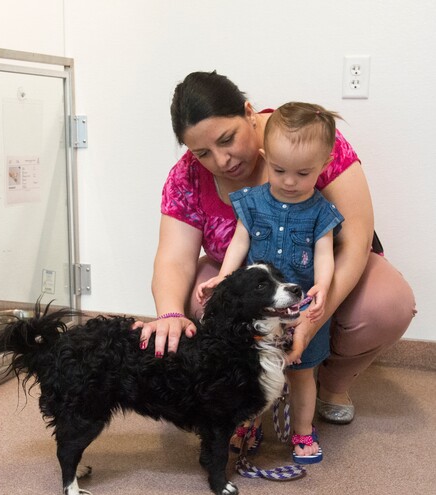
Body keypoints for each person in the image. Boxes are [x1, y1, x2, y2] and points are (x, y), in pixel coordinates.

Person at [136, 71, 416, 429]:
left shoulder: (305, 138)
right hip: (252, 280)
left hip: (318, 269)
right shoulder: (186, 177)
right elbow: (174, 258)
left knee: (388, 305)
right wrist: (170, 315)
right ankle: (249, 382)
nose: (222, 161)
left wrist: (310, 322)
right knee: (202, 300)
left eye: (228, 139)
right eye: (203, 152)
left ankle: (332, 384)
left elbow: (356, 240)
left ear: (249, 113)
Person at [195, 102, 345, 463]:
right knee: (250, 368)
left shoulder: (322, 211)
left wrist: (323, 285)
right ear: (266, 158)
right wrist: (225, 277)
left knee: (301, 373)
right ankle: (249, 423)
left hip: (299, 308)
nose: (290, 182)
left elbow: (325, 253)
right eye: (279, 170)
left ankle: (303, 432)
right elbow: (240, 241)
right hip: (259, 309)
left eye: (303, 173)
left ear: (323, 167)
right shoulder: (252, 201)